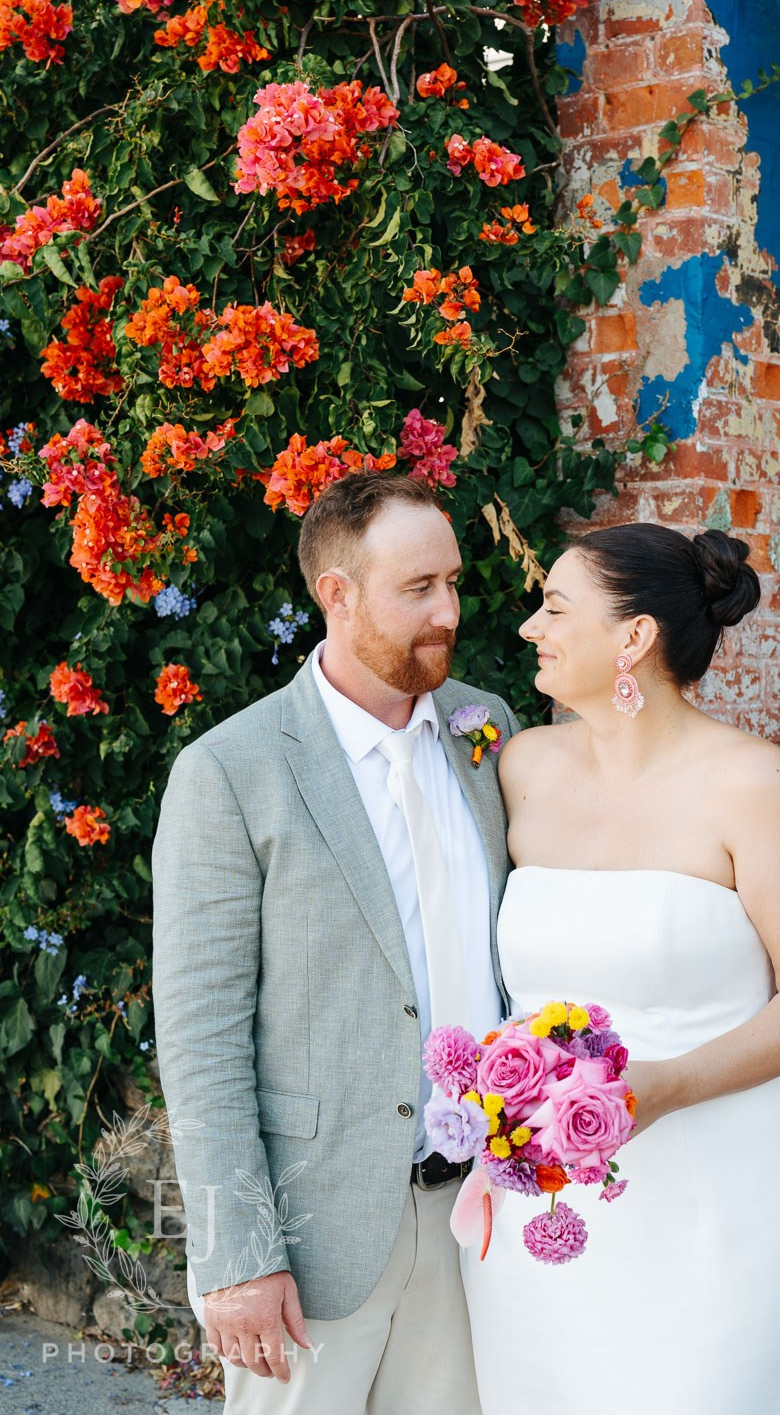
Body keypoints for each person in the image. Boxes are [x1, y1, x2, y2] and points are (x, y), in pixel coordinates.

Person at [462, 523, 780, 1415]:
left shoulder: (751, 785)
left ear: (633, 636)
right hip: (546, 1204)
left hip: (712, 1204)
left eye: (555, 608)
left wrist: (667, 1087)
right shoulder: (521, 767)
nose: (529, 627)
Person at [152, 471, 518, 1415]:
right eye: (418, 589)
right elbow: (199, 1037)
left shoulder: (486, 728)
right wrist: (238, 1255)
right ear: (337, 595)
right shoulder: (229, 771)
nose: (449, 612)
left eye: (453, 582)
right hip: (315, 1234)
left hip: (479, 1216)